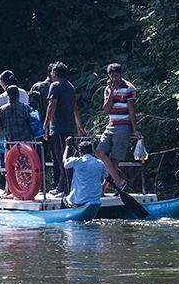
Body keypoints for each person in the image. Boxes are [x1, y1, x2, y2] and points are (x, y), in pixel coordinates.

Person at [95, 63, 140, 193]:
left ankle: (104, 187)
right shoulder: (108, 89)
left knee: (115, 158)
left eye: (116, 76)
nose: (114, 79)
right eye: (111, 76)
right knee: (100, 151)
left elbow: (132, 110)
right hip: (111, 124)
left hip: (124, 125)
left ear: (121, 75)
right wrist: (112, 91)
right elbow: (107, 109)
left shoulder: (130, 88)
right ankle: (118, 180)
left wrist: (135, 129)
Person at [42, 62, 85, 196]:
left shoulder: (54, 86)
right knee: (67, 157)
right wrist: (79, 126)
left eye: (52, 72)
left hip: (59, 127)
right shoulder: (71, 86)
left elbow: (51, 106)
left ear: (54, 73)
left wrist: (45, 125)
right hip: (70, 127)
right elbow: (75, 107)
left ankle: (66, 190)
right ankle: (62, 187)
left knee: (63, 159)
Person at [63, 137, 108, 207]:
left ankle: (65, 215)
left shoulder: (77, 161)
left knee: (64, 199)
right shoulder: (100, 163)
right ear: (92, 152)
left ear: (80, 152)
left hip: (79, 200)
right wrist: (103, 186)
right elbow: (108, 177)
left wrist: (67, 146)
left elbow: (64, 162)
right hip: (95, 199)